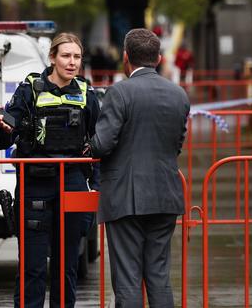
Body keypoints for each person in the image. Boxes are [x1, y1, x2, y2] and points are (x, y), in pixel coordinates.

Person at [0, 32, 100, 308]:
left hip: (74, 184)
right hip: (36, 185)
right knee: (33, 268)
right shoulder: (30, 89)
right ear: (52, 57)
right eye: (66, 56)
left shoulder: (87, 93)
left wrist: (98, 187)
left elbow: (99, 142)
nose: (72, 62)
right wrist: (4, 129)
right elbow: (4, 138)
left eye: (77, 56)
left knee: (67, 268)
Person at [88, 28, 190, 307]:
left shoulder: (119, 92)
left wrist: (90, 144)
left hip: (125, 197)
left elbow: (103, 144)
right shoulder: (178, 94)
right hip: (166, 194)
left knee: (128, 279)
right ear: (158, 57)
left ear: (125, 58)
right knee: (159, 277)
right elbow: (177, 143)